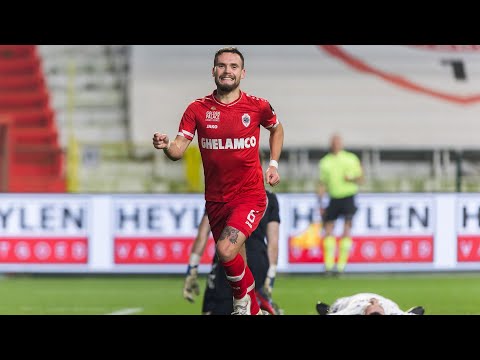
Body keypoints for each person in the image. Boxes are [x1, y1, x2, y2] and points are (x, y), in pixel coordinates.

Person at [153, 46, 284, 315]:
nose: (227, 71)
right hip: (215, 199)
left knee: (225, 251)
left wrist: (273, 164)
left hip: (249, 196)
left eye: (233, 66)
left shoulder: (257, 106)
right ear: (214, 71)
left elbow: (276, 128)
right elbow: (178, 151)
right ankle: (254, 311)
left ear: (242, 73)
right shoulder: (197, 109)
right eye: (222, 66)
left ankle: (242, 304)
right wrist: (166, 145)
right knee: (236, 260)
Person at [183, 188, 281, 315]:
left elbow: (202, 235)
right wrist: (271, 276)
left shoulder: (221, 194)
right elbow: (273, 243)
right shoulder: (269, 198)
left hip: (228, 260)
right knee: (249, 308)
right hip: (258, 263)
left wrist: (192, 269)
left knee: (214, 309)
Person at [317, 133, 363, 275]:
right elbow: (322, 183)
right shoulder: (325, 162)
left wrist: (352, 178)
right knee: (328, 229)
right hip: (333, 197)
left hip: (348, 196)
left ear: (341, 143)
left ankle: (341, 266)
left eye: (338, 142)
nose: (336, 144)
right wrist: (320, 202)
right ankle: (329, 266)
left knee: (346, 228)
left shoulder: (351, 158)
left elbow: (361, 178)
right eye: (334, 142)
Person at [316, 293, 425, 315]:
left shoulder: (390, 310)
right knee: (337, 306)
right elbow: (418, 310)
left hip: (384, 299)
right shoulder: (354, 310)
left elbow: (417, 310)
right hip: (354, 299)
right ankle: (330, 310)